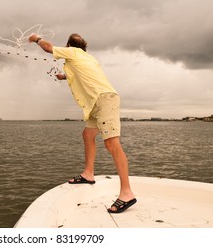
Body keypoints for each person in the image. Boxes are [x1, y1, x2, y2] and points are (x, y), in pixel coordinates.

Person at [29, 33, 136, 214]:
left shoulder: (73, 53)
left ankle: (127, 193)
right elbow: (82, 75)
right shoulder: (87, 58)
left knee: (112, 143)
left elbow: (48, 48)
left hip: (104, 100)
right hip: (96, 102)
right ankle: (88, 173)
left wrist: (36, 38)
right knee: (87, 135)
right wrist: (64, 77)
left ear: (70, 46)